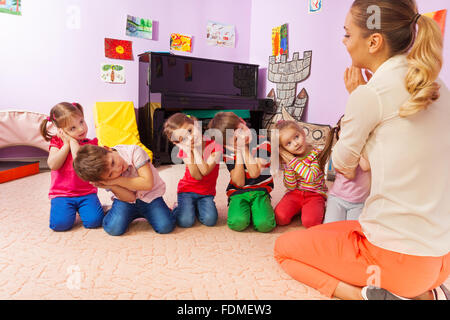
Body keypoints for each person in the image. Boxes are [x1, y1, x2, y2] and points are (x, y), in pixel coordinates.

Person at [274, 0, 450, 300]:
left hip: (396, 260)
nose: (344, 42)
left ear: (374, 41)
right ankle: (427, 293)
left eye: (347, 34)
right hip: (441, 258)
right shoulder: (437, 86)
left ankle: (377, 296)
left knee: (283, 250)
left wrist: (356, 97)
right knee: (330, 231)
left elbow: (342, 164)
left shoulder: (369, 95)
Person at [73, 144, 175, 236]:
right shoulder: (104, 178)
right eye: (111, 175)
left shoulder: (134, 151)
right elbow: (130, 198)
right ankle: (110, 210)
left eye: (112, 163)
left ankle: (171, 208)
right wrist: (111, 185)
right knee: (113, 229)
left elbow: (147, 183)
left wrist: (115, 180)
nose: (117, 169)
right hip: (126, 202)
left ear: (107, 149)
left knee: (166, 226)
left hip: (151, 197)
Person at [39, 102, 104, 232]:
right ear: (61, 131)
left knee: (95, 222)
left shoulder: (90, 144)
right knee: (60, 225)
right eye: (72, 128)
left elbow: (79, 162)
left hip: (86, 193)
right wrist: (66, 145)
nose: (81, 129)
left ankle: (89, 208)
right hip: (62, 194)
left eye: (81, 122)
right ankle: (69, 209)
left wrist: (73, 141)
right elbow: (53, 164)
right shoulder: (57, 142)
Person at [207, 112, 276, 233]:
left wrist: (243, 148)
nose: (242, 137)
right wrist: (239, 152)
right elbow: (239, 182)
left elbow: (255, 173)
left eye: (241, 129)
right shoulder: (228, 152)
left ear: (242, 121)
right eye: (235, 139)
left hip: (261, 190)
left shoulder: (263, 141)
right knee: (237, 223)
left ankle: (257, 208)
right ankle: (247, 210)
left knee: (265, 225)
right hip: (238, 192)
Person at [163, 113, 222, 228]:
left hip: (206, 193)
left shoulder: (215, 146)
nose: (190, 138)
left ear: (196, 125)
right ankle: (178, 207)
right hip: (187, 191)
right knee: (185, 222)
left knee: (210, 220)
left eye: (190, 131)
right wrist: (188, 150)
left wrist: (194, 149)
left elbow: (205, 171)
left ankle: (195, 207)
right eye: (183, 138)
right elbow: (196, 176)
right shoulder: (185, 150)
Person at [273, 120, 328, 228]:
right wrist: (289, 164)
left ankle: (314, 208)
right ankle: (299, 208)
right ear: (284, 149)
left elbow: (310, 177)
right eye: (288, 143)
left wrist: (292, 161)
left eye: (296, 137)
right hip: (294, 193)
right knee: (280, 218)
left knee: (310, 223)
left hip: (314, 194)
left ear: (303, 133)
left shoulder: (316, 153)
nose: (295, 143)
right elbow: (290, 185)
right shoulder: (288, 160)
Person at [323, 116, 371, 223]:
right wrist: (352, 147)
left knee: (352, 232)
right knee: (330, 230)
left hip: (359, 201)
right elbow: (350, 174)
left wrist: (356, 146)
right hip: (337, 198)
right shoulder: (339, 150)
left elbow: (366, 166)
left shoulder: (366, 148)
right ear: (340, 134)